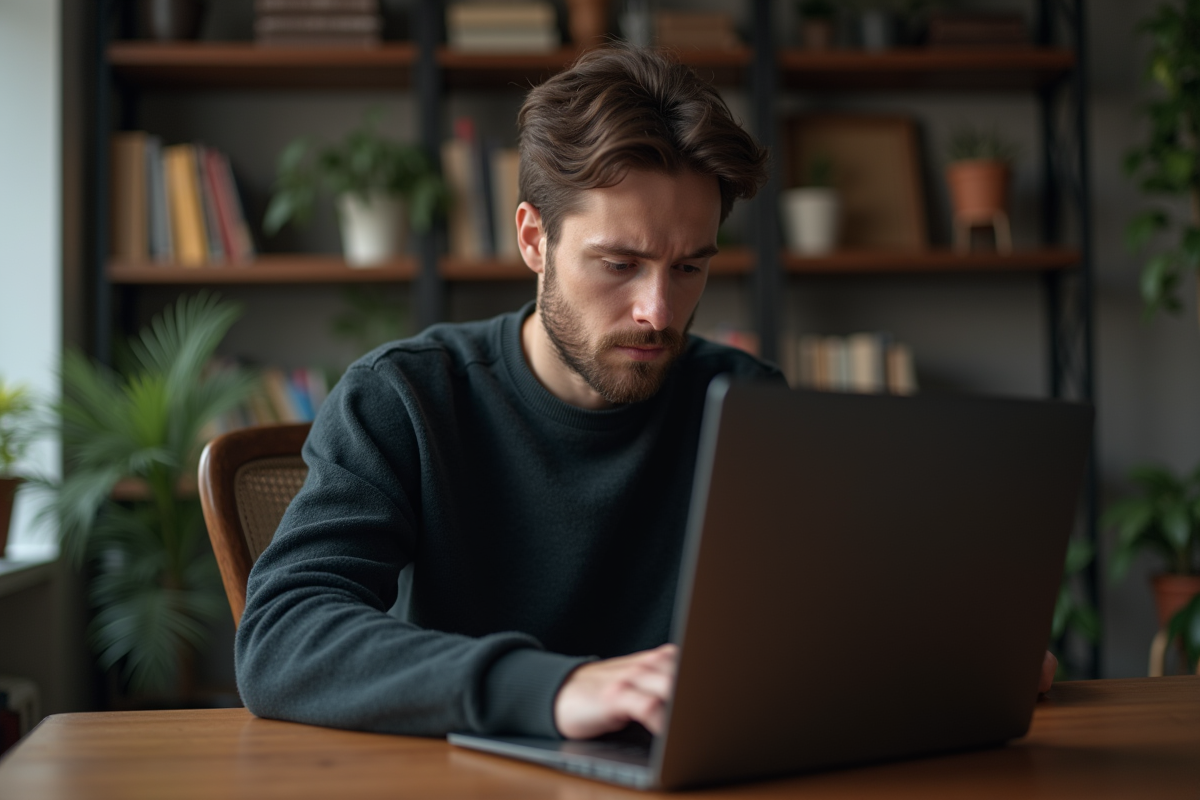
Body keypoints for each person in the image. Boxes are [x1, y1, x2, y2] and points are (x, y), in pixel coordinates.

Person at [235, 46, 1057, 743]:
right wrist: (555, 688)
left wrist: (965, 653)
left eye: (690, 267)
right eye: (620, 264)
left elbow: (845, 622)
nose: (658, 313)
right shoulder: (405, 399)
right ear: (534, 239)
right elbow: (281, 638)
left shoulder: (746, 404)